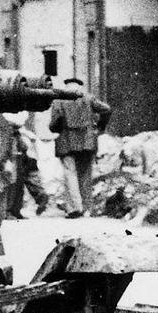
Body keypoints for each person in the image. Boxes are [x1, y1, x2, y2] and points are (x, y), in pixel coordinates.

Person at [47, 74, 112, 216]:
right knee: (85, 174)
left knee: (70, 173)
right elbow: (106, 109)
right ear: (79, 86)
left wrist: (56, 128)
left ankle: (76, 207)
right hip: (87, 140)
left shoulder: (59, 100)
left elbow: (54, 124)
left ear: (67, 86)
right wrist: (100, 127)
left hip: (66, 140)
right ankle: (87, 208)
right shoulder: (88, 97)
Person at [3, 109, 50, 219]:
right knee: (16, 177)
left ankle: (13, 210)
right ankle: (12, 210)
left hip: (16, 139)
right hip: (14, 137)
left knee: (17, 178)